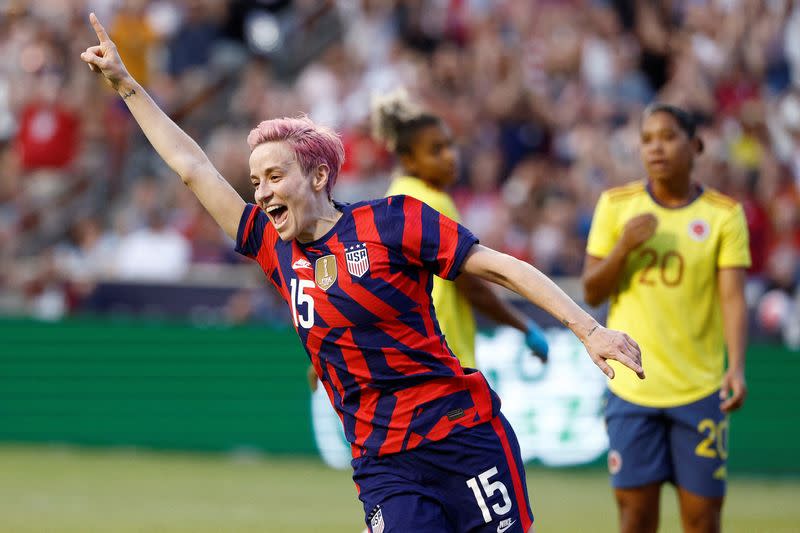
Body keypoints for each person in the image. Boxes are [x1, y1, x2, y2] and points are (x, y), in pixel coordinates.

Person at [81, 13, 644, 532]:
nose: (262, 193)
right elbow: (192, 166)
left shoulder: (395, 221)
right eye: (256, 183)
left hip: (463, 436)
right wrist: (127, 86)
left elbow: (498, 268)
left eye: (274, 176)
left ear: (319, 175)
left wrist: (588, 329)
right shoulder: (272, 248)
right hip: (382, 463)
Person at [582, 104, 750, 533]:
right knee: (635, 519)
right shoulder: (616, 205)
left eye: (669, 136)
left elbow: (732, 298)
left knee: (702, 521)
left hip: (699, 388)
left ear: (695, 145)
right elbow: (591, 290)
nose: (656, 147)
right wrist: (623, 247)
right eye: (647, 139)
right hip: (632, 390)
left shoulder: (723, 214)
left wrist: (737, 366)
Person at [372, 89, 549, 369]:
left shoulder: (390, 200)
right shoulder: (432, 202)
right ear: (408, 160)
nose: (450, 157)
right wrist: (524, 326)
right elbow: (471, 285)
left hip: (416, 354)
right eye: (435, 151)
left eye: (449, 145)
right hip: (446, 353)